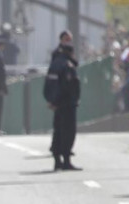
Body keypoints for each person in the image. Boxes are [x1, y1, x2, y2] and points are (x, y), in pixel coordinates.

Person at [44, 31, 81, 171]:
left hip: (58, 103)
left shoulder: (55, 63)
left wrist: (51, 100)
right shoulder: (67, 66)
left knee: (58, 131)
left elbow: (49, 84)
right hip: (67, 103)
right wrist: (73, 100)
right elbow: (68, 86)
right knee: (67, 132)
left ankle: (57, 160)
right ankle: (65, 160)